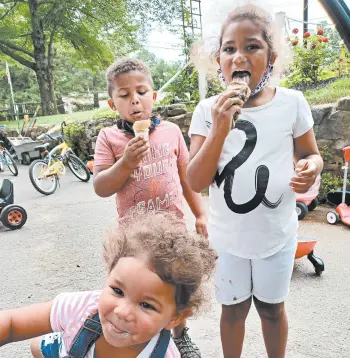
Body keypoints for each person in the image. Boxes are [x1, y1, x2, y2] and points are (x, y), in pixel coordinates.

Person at [187, 4, 323, 358]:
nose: (239, 56)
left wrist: (311, 166)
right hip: (227, 237)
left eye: (252, 46)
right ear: (219, 61)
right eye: (229, 48)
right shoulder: (207, 111)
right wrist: (220, 126)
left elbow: (311, 153)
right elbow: (197, 179)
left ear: (271, 56)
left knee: (271, 309)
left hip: (276, 234)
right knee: (232, 311)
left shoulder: (292, 103)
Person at [93, 59, 208, 357]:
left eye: (142, 91)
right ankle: (135, 341)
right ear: (112, 103)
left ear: (154, 96)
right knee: (133, 293)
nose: (135, 100)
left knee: (175, 290)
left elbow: (186, 177)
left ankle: (179, 336)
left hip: (172, 235)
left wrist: (200, 213)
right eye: (124, 94)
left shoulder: (170, 131)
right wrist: (126, 163)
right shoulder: (109, 138)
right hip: (131, 240)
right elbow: (101, 187)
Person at [0, 213, 217, 358]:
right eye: (117, 291)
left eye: (146, 305)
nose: (121, 312)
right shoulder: (79, 308)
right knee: (38, 347)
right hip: (68, 343)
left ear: (175, 317)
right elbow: (10, 324)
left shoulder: (166, 354)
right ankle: (60, 339)